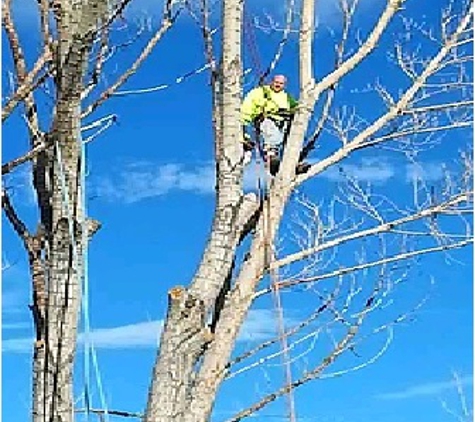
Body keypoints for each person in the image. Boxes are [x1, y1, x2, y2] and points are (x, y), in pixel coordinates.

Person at [241, 75, 309, 175]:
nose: (278, 85)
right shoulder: (261, 93)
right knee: (272, 135)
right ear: (271, 82)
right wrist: (244, 123)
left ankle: (295, 162)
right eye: (276, 82)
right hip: (267, 119)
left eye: (281, 83)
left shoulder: (286, 97)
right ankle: (271, 157)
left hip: (283, 122)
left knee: (292, 137)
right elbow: (247, 107)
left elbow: (295, 107)